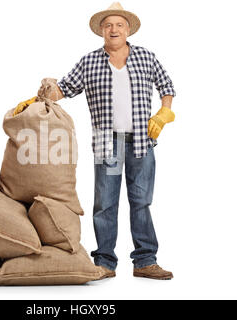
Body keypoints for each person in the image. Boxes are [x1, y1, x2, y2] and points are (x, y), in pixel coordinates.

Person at [38, 2, 176, 280]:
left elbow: (167, 85)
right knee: (106, 204)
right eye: (108, 25)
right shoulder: (89, 62)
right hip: (107, 144)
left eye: (119, 25)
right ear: (102, 30)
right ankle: (104, 262)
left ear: (127, 30)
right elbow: (63, 90)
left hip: (141, 143)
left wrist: (164, 110)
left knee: (141, 201)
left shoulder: (146, 57)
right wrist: (48, 86)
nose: (114, 29)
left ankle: (145, 261)